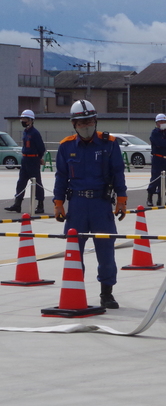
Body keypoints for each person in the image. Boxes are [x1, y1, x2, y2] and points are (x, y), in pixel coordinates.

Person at [53, 100, 127, 309]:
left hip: (101, 204)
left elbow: (118, 172)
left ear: (95, 121)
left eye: (89, 121)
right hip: (76, 205)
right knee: (74, 252)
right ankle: (76, 290)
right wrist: (59, 203)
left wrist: (121, 200)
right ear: (74, 125)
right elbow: (61, 177)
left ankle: (107, 294)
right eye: (81, 122)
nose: (86, 126)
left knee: (106, 251)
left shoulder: (109, 143)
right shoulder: (66, 146)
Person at [5, 110, 46, 214]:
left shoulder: (35, 133)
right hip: (25, 160)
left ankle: (40, 205)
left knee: (36, 183)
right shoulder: (25, 132)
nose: (23, 121)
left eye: (25, 119)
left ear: (31, 120)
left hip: (33, 160)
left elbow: (41, 148)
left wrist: (38, 158)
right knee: (21, 182)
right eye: (22, 119)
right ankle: (17, 204)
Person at [146, 114, 166, 206]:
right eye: (161, 122)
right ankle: (149, 198)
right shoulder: (155, 133)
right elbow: (159, 143)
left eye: (164, 122)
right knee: (155, 178)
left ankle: (161, 198)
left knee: (165, 179)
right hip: (158, 158)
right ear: (157, 123)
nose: (163, 123)